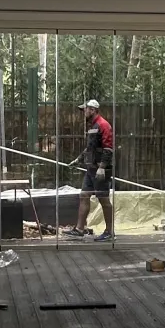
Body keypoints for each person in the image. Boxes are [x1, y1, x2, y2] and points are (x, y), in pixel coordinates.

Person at [71, 98, 115, 240]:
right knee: (84, 195)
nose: (83, 112)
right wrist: (79, 159)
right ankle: (79, 229)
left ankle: (109, 232)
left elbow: (108, 149)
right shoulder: (92, 126)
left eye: (85, 109)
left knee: (104, 199)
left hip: (100, 170)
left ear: (93, 110)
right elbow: (90, 148)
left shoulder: (103, 125)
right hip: (91, 168)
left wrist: (102, 167)